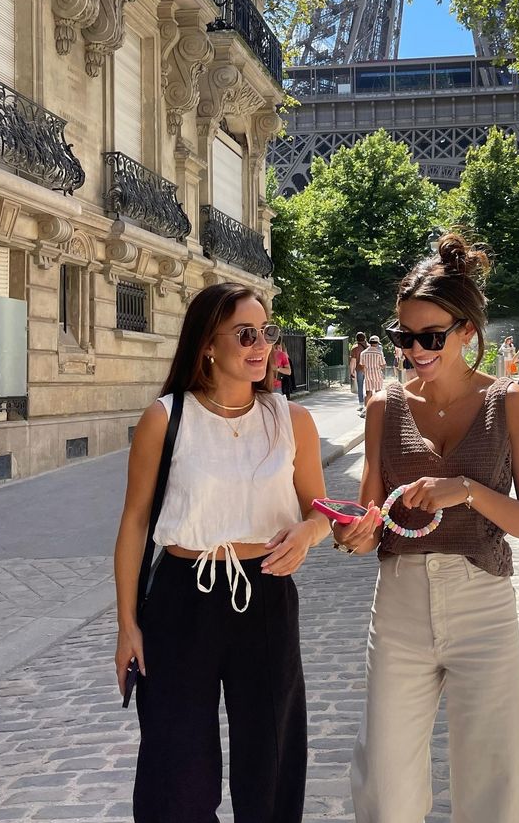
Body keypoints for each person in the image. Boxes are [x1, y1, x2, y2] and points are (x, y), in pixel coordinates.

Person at [332, 233, 519, 823]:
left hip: (483, 603)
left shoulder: (507, 403)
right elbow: (370, 520)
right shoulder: (384, 405)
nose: (415, 350)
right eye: (405, 337)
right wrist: (352, 534)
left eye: (431, 337)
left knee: (493, 782)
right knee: (385, 783)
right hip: (399, 604)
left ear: (466, 333)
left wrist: (469, 493)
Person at [114, 282, 330, 823]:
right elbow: (135, 523)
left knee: (272, 754)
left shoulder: (291, 419)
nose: (261, 345)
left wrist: (308, 533)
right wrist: (126, 625)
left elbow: (322, 510)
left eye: (267, 333)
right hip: (184, 595)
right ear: (208, 343)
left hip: (267, 592)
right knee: (175, 765)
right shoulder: (166, 419)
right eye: (245, 334)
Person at [359, 335, 386, 415]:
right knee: (378, 392)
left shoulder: (363, 353)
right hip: (377, 374)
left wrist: (365, 371)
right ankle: (378, 409)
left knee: (368, 393)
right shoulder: (379, 353)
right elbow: (383, 365)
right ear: (377, 343)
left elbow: (361, 365)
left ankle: (367, 410)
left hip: (367, 374)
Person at [349, 331, 369, 415]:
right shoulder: (369, 346)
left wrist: (352, 371)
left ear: (356, 338)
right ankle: (368, 403)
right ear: (365, 338)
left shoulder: (355, 348)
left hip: (359, 369)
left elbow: (353, 361)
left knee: (360, 386)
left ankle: (361, 404)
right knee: (369, 387)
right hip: (369, 369)